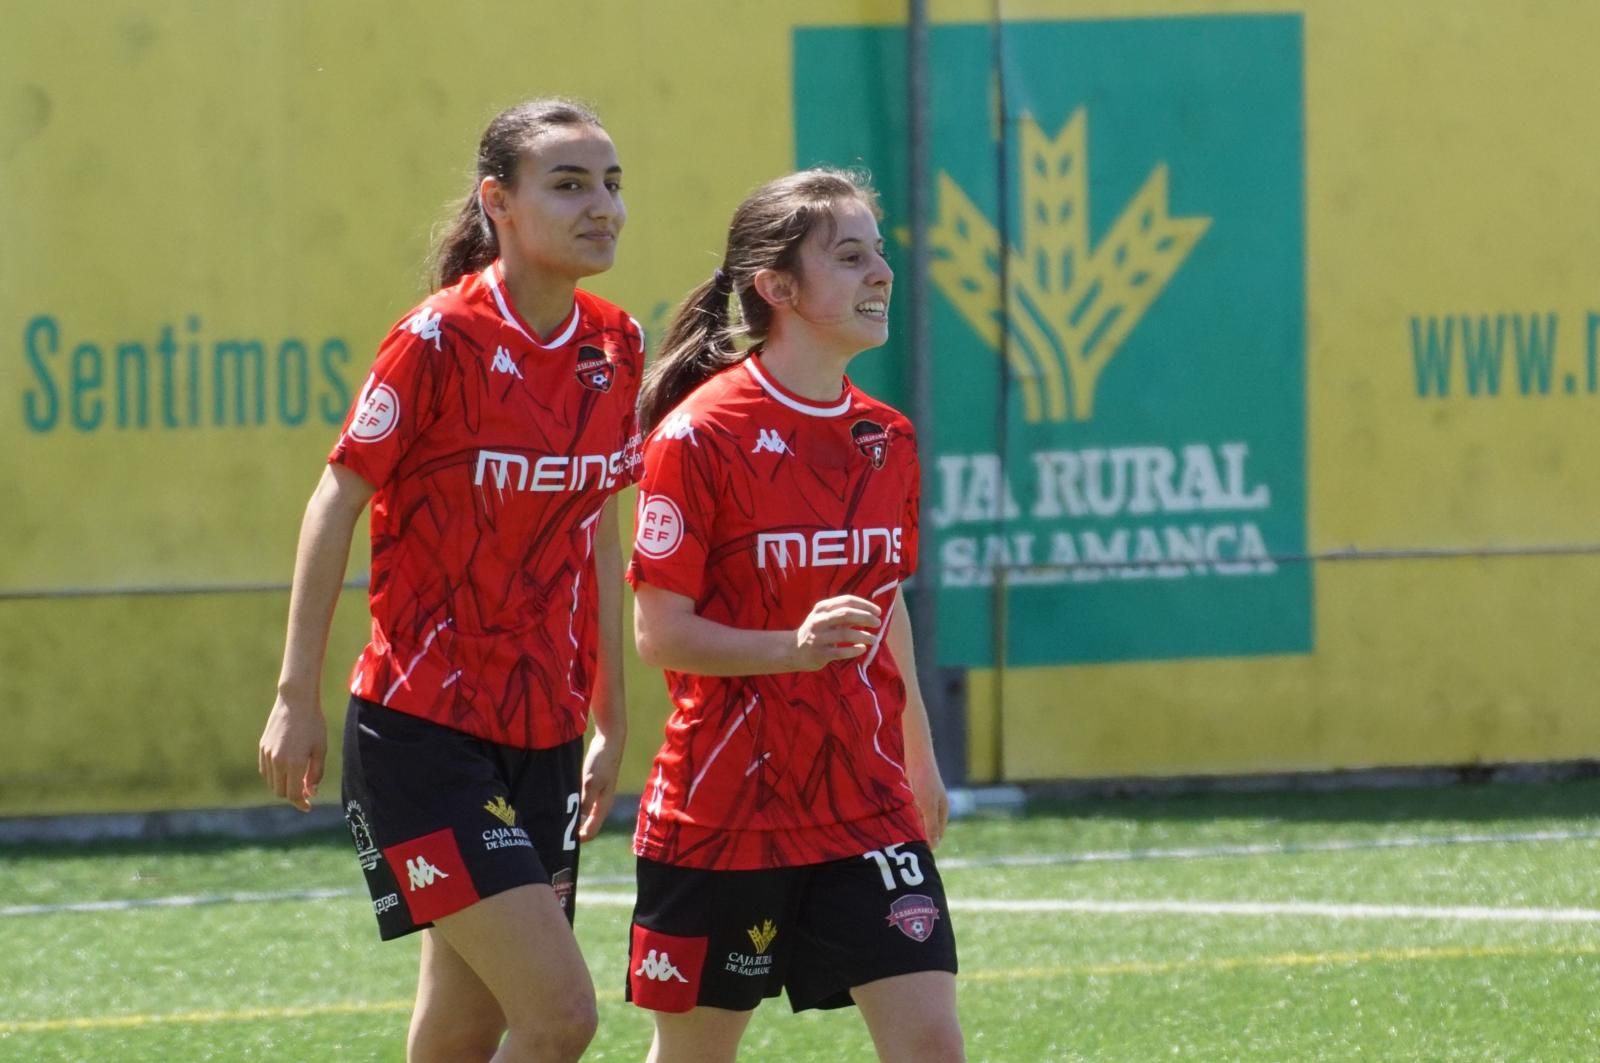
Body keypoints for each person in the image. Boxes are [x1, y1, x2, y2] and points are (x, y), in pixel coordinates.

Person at [256, 98, 641, 1063]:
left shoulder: (617, 344)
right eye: (568, 184)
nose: (601, 205)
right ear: (497, 203)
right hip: (422, 728)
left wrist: (612, 711)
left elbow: (598, 523)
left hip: (545, 731)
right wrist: (294, 695)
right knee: (560, 1015)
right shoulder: (438, 339)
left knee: (464, 1029)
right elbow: (335, 499)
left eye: (611, 182)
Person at [623, 169, 965, 1063]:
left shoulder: (884, 436)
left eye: (879, 252)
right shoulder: (699, 436)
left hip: (865, 802)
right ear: (776, 287)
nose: (880, 273)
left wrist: (918, 756)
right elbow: (660, 632)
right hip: (725, 810)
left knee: (932, 1043)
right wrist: (793, 647)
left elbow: (882, 604)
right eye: (849, 256)